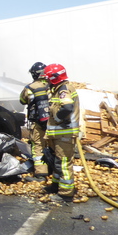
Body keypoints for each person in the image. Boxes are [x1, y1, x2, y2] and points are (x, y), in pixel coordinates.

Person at [43, 63, 80, 201]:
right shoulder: (58, 89)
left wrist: (58, 118)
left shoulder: (63, 90)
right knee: (58, 161)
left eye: (47, 78)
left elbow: (67, 107)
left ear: (53, 78)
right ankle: (55, 185)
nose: (46, 81)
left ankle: (65, 193)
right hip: (59, 134)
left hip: (65, 134)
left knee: (64, 163)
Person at [19, 62, 50, 181]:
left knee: (38, 146)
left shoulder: (30, 88)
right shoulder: (52, 86)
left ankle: (41, 174)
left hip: (37, 122)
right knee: (54, 145)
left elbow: (22, 100)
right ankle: (55, 171)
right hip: (53, 123)